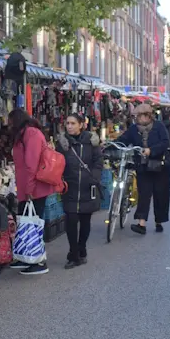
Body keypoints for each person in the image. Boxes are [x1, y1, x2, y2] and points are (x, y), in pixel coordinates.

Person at [8, 108, 54, 275]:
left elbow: (31, 164)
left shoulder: (31, 134)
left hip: (34, 188)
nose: (8, 125)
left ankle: (40, 261)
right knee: (25, 221)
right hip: (27, 187)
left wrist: (29, 189)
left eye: (10, 121)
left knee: (34, 223)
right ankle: (26, 256)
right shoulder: (24, 134)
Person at [56, 113, 103, 269]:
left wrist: (94, 177)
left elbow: (98, 161)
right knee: (71, 220)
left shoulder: (91, 141)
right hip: (69, 187)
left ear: (81, 125)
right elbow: (57, 163)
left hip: (87, 187)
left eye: (73, 123)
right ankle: (74, 253)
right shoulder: (62, 143)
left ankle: (82, 249)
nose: (69, 126)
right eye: (67, 123)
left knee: (85, 221)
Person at [117, 103, 170, 234]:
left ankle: (159, 221)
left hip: (160, 166)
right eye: (137, 116)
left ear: (148, 116)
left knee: (160, 194)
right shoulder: (134, 129)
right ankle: (141, 224)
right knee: (144, 194)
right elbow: (124, 139)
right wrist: (112, 144)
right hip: (142, 166)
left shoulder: (159, 126)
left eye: (140, 116)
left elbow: (165, 142)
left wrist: (151, 150)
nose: (138, 118)